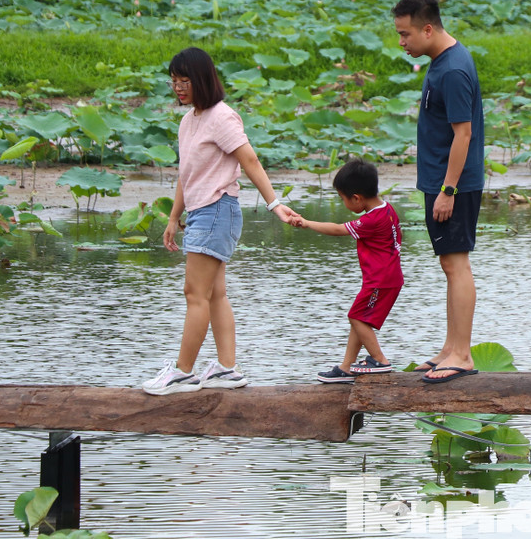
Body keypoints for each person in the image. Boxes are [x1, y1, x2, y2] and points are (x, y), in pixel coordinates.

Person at [141, 47, 299, 395]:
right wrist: (173, 217)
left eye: (185, 81)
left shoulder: (222, 117)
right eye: (174, 81)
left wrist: (274, 204)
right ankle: (228, 369)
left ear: (202, 79)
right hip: (200, 213)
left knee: (194, 293)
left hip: (218, 210)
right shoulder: (189, 121)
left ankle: (183, 372)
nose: (178, 88)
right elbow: (186, 173)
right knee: (214, 295)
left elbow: (250, 161)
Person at [392, 0, 484, 384]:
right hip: (440, 180)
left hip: (453, 185)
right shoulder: (442, 62)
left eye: (405, 34)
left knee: (457, 264)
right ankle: (449, 348)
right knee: (450, 264)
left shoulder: (452, 70)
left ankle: (461, 354)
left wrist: (448, 189)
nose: (402, 42)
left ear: (427, 29)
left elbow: (462, 135)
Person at [288, 159, 404, 384]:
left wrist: (306, 222)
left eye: (343, 198)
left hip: (380, 280)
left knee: (356, 317)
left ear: (356, 198)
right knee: (359, 320)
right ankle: (346, 368)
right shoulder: (387, 209)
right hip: (386, 278)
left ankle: (379, 360)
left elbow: (338, 229)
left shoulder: (373, 219)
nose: (343, 203)